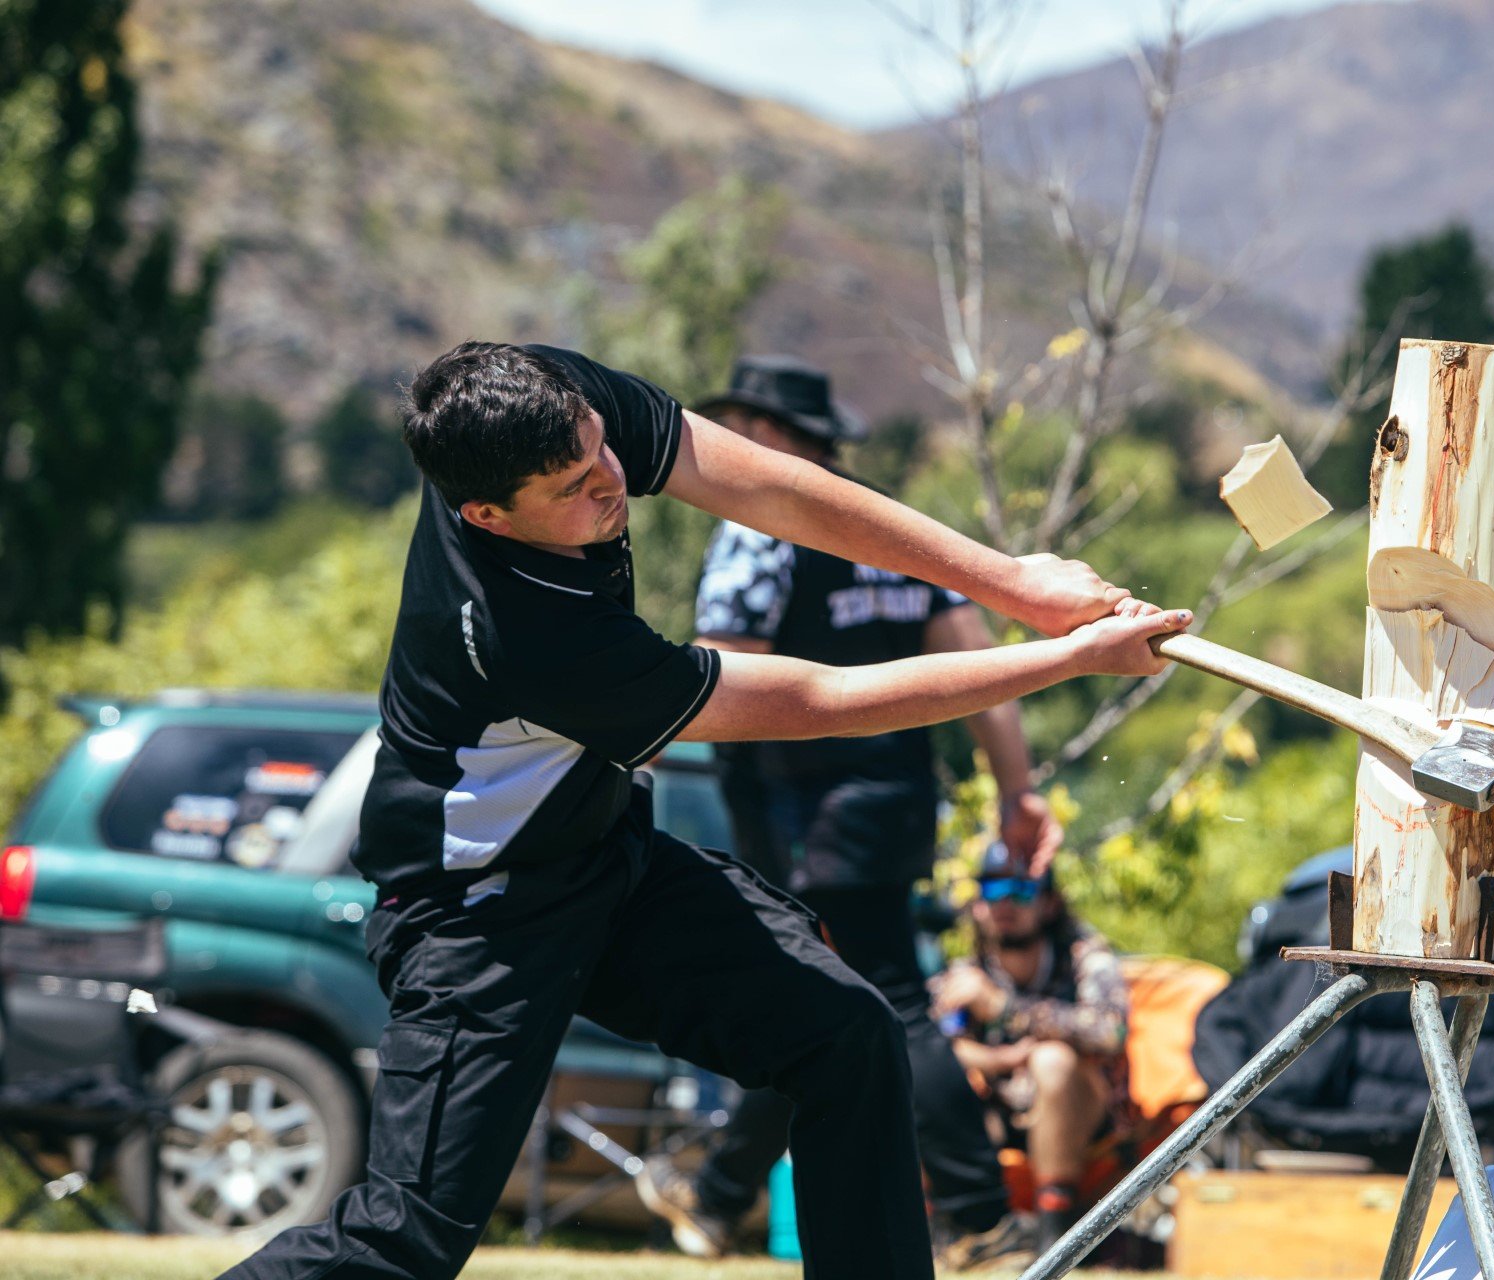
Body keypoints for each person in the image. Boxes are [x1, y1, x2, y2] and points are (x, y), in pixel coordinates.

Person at [217, 341, 1191, 1280]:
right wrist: (1064, 657)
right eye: (573, 487)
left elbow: (770, 486)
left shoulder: (546, 402)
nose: (610, 479)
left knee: (846, 1031)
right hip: (480, 913)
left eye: (602, 446)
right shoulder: (527, 635)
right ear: (489, 513)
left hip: (606, 854)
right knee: (407, 1236)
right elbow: (816, 701)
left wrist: (1012, 580)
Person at [636, 355, 1061, 1269]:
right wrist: (1017, 793)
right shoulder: (896, 531)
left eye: (743, 427)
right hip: (899, 798)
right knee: (821, 998)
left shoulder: (759, 532)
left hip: (801, 808)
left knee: (881, 1000)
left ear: (780, 439)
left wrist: (617, 727)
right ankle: (719, 1196)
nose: (725, 447)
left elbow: (721, 676)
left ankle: (982, 1216)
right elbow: (978, 669)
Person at [932, 842, 1130, 1255]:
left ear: (1049, 902)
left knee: (1051, 1060)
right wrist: (995, 1059)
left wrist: (1005, 1009)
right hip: (998, 1118)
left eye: (1020, 890)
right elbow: (929, 1047)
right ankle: (947, 1228)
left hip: (1084, 1118)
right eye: (991, 890)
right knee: (919, 1077)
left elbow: (1111, 1032)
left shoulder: (1083, 955)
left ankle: (1053, 1229)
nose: (1004, 902)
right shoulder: (968, 971)